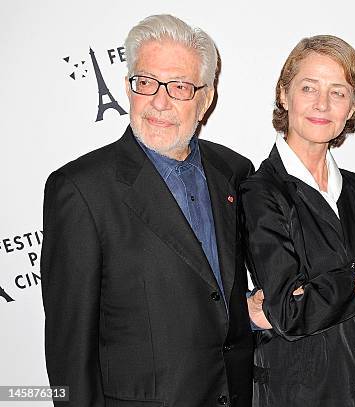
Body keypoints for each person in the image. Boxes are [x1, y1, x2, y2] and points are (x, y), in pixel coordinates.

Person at [41, 14, 256, 407]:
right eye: (146, 82)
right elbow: (69, 355)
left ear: (205, 99)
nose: (159, 101)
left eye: (179, 86)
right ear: (127, 88)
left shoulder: (235, 172)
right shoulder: (79, 190)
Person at [239, 35, 355, 407]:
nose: (322, 104)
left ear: (353, 108)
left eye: (338, 92)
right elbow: (288, 312)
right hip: (296, 395)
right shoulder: (260, 193)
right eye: (308, 88)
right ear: (284, 96)